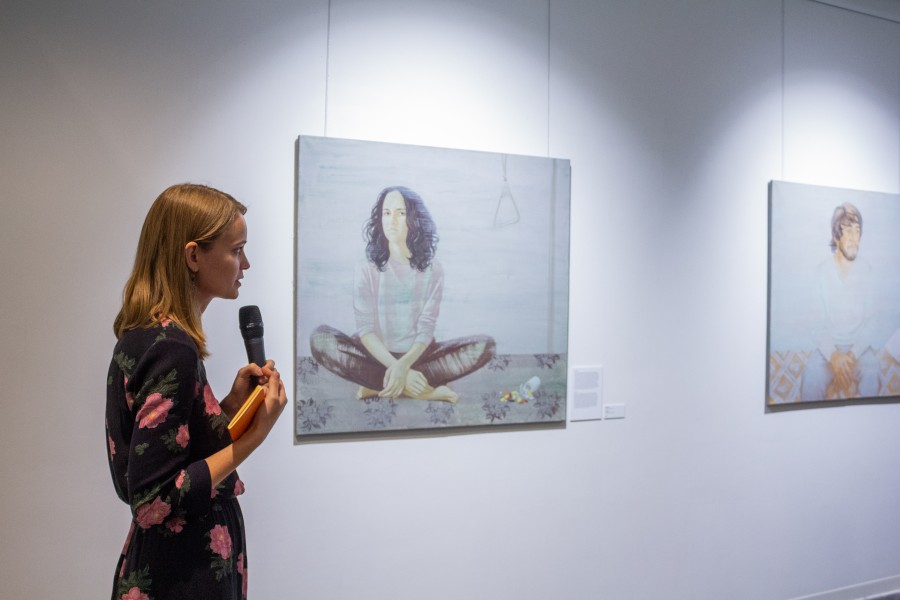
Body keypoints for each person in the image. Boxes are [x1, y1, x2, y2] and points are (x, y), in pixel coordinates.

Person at [105, 184, 287, 599]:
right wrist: (254, 437)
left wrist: (230, 407)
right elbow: (154, 499)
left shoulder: (145, 337)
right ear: (193, 256)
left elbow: (167, 454)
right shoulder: (172, 349)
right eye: (237, 250)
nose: (246, 264)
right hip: (183, 575)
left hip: (170, 566)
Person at [310, 185, 495, 403]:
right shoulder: (366, 267)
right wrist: (397, 368)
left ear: (414, 219)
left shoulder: (433, 270)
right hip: (374, 355)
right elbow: (366, 330)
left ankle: (377, 386)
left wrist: (404, 365)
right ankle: (422, 390)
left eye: (401, 213)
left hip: (419, 357)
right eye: (387, 213)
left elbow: (426, 329)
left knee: (485, 346)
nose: (392, 221)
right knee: (320, 339)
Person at [801, 201, 878, 400]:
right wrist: (834, 357)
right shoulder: (821, 273)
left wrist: (851, 356)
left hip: (859, 351)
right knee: (811, 376)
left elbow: (871, 323)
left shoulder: (867, 272)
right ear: (836, 236)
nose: (854, 238)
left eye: (857, 231)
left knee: (872, 371)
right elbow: (816, 325)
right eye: (848, 231)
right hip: (827, 352)